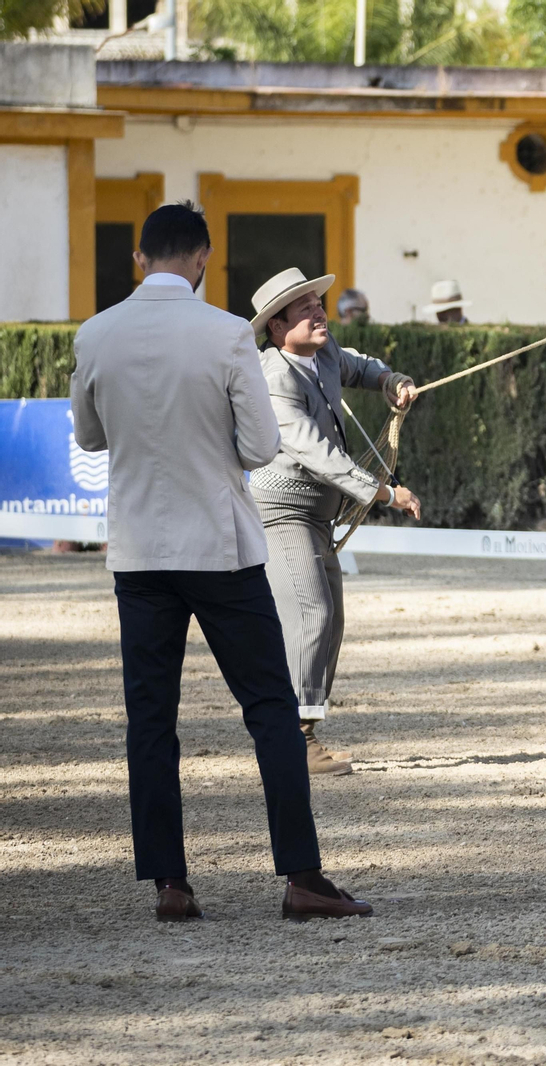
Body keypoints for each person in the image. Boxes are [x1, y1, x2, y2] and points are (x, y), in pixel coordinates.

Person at [69, 202, 372, 921]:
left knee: (151, 718)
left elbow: (87, 437)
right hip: (221, 547)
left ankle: (169, 883)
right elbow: (262, 447)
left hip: (139, 552)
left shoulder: (95, 333)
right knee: (269, 709)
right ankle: (301, 875)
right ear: (203, 258)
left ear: (139, 260)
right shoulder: (227, 334)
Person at [249, 268, 422, 775]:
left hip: (317, 517)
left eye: (316, 302)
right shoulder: (272, 379)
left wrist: (391, 380)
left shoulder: (324, 353)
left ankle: (301, 734)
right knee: (311, 616)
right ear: (277, 328)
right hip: (281, 514)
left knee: (331, 622)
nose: (318, 312)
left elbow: (360, 366)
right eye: (303, 309)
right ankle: (294, 743)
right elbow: (317, 453)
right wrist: (387, 493)